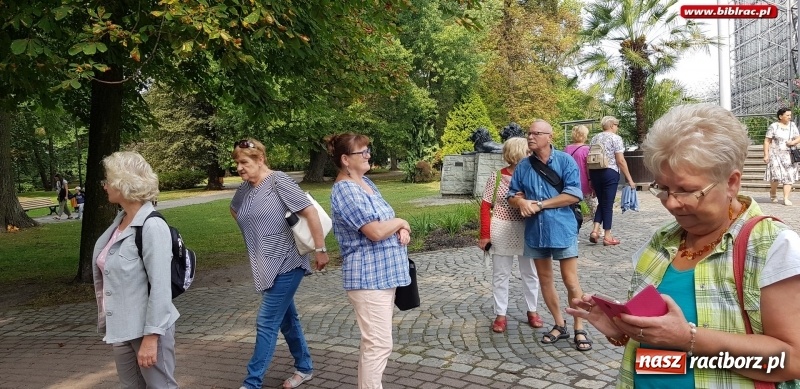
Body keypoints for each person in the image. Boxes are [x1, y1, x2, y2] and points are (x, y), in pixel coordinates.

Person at [567, 103, 800, 387]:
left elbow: (792, 361)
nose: (672, 203)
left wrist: (690, 339)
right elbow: (661, 355)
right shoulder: (662, 241)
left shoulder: (771, 246)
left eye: (687, 190)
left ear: (731, 183)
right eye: (663, 188)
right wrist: (621, 330)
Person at [229, 138, 329, 389]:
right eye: (237, 163)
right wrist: (256, 232)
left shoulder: (278, 181)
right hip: (265, 264)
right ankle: (304, 367)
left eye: (244, 162)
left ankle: (252, 383)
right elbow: (235, 210)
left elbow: (310, 211)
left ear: (260, 159)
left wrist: (320, 249)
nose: (239, 168)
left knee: (266, 322)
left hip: (287, 261)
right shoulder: (245, 189)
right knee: (287, 319)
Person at [327, 133, 411, 388]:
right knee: (378, 344)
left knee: (376, 343)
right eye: (362, 152)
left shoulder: (366, 183)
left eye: (368, 150)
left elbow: (385, 219)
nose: (368, 155)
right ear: (345, 159)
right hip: (368, 278)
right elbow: (374, 231)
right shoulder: (345, 190)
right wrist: (401, 221)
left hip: (383, 276)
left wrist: (401, 228)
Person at [92, 151, 180, 388]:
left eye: (108, 180)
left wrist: (151, 338)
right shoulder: (119, 223)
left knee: (161, 386)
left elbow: (161, 287)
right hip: (122, 327)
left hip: (148, 329)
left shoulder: (152, 226)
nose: (105, 186)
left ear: (124, 183)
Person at [507, 120, 591, 352]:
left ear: (549, 137)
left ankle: (579, 327)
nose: (530, 137)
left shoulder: (565, 161)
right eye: (529, 133)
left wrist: (540, 204)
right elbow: (512, 195)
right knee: (544, 279)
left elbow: (574, 194)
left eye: (536, 133)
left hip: (562, 228)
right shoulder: (524, 166)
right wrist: (521, 202)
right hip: (536, 230)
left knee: (571, 281)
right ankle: (559, 325)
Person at [478, 137, 543, 333]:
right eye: (528, 151)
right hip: (501, 228)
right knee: (501, 274)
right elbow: (485, 206)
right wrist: (485, 235)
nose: (531, 153)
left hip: (527, 228)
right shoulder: (497, 177)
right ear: (517, 153)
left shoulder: (533, 174)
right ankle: (500, 314)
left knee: (530, 273)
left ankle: (532, 310)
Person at [587, 116, 635, 246]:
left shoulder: (594, 138)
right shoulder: (616, 138)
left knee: (602, 202)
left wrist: (590, 179)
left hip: (595, 172)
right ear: (612, 125)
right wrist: (630, 179)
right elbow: (620, 160)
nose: (617, 128)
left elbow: (589, 158)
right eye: (617, 125)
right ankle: (607, 236)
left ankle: (595, 230)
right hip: (610, 172)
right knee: (608, 204)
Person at [763, 107, 800, 205]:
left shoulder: (792, 125)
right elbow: (767, 141)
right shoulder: (773, 126)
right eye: (787, 115)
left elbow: (798, 138)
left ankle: (786, 198)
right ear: (780, 116)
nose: (789, 117)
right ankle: (773, 192)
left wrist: (793, 142)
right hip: (775, 155)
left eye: (790, 115)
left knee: (789, 176)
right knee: (776, 176)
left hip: (789, 155)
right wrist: (766, 155)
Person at [564, 125, 597, 220]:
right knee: (593, 207)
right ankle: (597, 226)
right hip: (584, 182)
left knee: (571, 208)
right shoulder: (587, 149)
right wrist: (591, 181)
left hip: (570, 183)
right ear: (584, 135)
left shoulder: (567, 148)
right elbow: (589, 167)